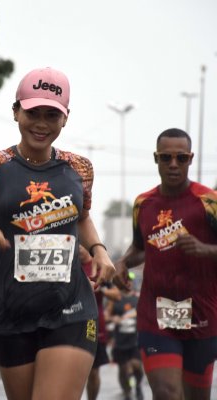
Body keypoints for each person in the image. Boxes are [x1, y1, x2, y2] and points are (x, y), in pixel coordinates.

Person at [0, 67, 115, 400]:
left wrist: (98, 248)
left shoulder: (79, 169)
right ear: (16, 112)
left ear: (65, 118)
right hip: (10, 314)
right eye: (32, 113)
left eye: (52, 115)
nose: (41, 123)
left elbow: (82, 215)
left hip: (71, 309)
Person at [114, 128, 217, 400]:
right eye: (166, 157)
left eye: (181, 158)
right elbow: (140, 248)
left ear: (191, 159)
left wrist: (206, 249)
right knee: (167, 392)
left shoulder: (208, 202)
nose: (173, 164)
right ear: (156, 158)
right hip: (157, 317)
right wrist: (123, 263)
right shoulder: (144, 204)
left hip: (202, 316)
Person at [80, 245, 121, 400]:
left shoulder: (98, 265)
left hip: (94, 323)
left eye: (81, 245)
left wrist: (100, 288)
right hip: (71, 322)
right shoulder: (69, 263)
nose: (78, 248)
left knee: (94, 371)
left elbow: (117, 295)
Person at [109, 271, 144, 400]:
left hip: (135, 340)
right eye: (126, 280)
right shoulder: (116, 299)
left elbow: (146, 313)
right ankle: (127, 392)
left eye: (130, 280)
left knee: (136, 366)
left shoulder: (138, 297)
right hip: (120, 341)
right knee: (123, 369)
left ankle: (138, 386)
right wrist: (114, 318)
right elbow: (107, 315)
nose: (128, 282)